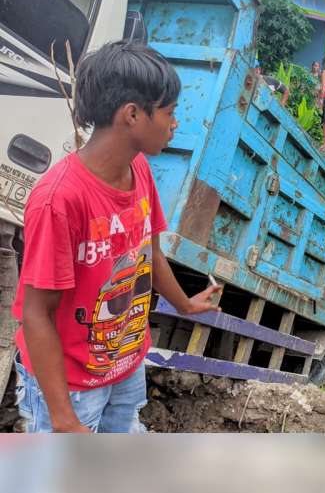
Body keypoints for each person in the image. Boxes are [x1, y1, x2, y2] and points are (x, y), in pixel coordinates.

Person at [12, 41, 222, 433]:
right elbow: (35, 313)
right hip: (70, 386)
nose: (175, 124)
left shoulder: (138, 169)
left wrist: (185, 305)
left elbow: (150, 252)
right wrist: (62, 419)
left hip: (123, 365)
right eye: (169, 112)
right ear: (132, 115)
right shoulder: (58, 200)